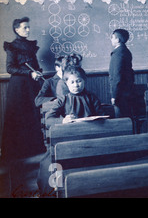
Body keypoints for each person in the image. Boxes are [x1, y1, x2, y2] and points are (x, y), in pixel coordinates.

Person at [38, 66, 103, 196]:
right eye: (72, 82)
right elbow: (49, 119)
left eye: (79, 81)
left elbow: (101, 114)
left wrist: (97, 119)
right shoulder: (63, 99)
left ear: (84, 81)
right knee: (49, 165)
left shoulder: (92, 97)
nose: (76, 85)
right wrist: (63, 120)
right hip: (67, 140)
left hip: (90, 137)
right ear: (66, 83)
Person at [2, 17, 45, 162]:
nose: (28, 30)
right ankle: (19, 153)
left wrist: (37, 71)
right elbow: (10, 68)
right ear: (17, 29)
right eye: (25, 27)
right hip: (19, 87)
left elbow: (33, 64)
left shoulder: (30, 45)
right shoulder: (12, 46)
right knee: (20, 116)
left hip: (31, 85)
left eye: (28, 27)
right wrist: (29, 73)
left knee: (32, 114)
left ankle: (33, 150)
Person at [109, 29, 135, 118]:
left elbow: (117, 76)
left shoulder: (118, 53)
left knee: (121, 119)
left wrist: (114, 96)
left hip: (121, 94)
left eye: (112, 37)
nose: (111, 39)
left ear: (118, 39)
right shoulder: (125, 51)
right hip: (127, 91)